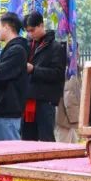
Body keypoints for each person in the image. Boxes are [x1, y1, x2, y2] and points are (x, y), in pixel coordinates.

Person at [22, 12, 67, 142]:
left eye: (32, 30)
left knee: (46, 138)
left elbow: (57, 74)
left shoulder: (56, 47)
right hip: (28, 98)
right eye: (28, 31)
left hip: (45, 100)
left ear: (41, 25)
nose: (30, 34)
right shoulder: (27, 45)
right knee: (27, 140)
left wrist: (34, 70)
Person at [0, 12, 29, 141]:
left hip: (8, 111)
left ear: (7, 27)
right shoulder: (9, 49)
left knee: (9, 151)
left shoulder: (17, 50)